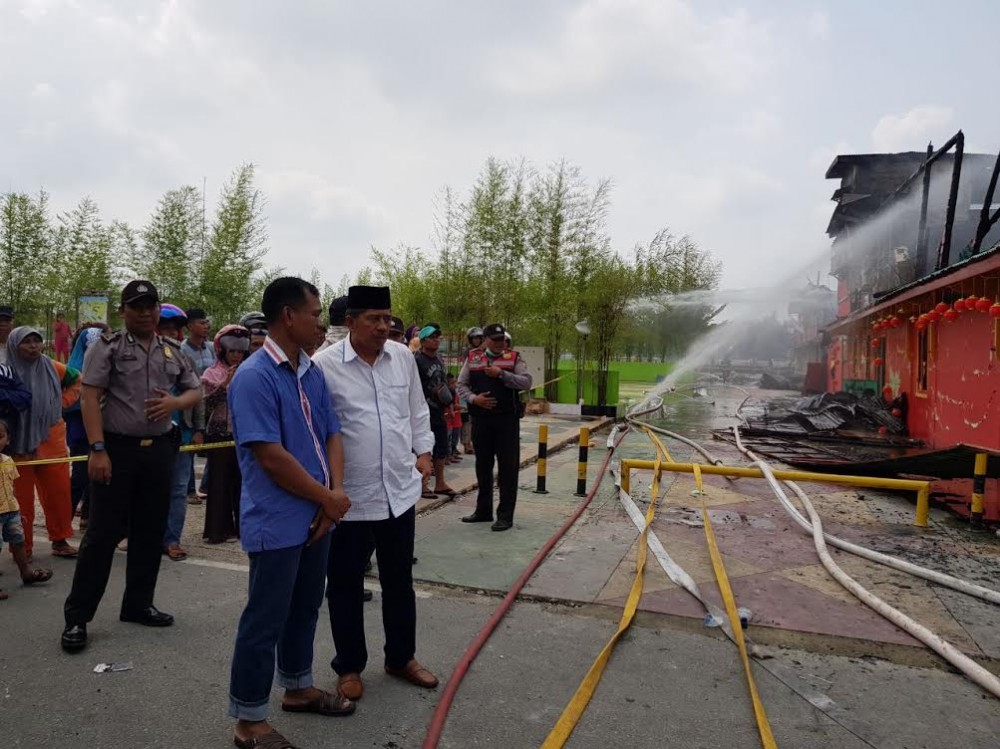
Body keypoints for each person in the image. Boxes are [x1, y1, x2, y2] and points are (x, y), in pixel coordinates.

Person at [227, 277, 354, 749]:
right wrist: (327, 498)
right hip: (277, 517)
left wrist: (333, 494)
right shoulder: (254, 377)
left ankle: (298, 687)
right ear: (288, 315)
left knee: (305, 606)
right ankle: (248, 720)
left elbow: (332, 433)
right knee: (265, 618)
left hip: (318, 515)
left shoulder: (310, 373)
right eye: (315, 314)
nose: (320, 324)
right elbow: (270, 457)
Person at [61, 280, 202, 654]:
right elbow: (89, 397)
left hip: (159, 451)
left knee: (150, 531)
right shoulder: (107, 348)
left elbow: (196, 389)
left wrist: (175, 404)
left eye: (150, 306)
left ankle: (138, 604)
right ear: (123, 311)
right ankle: (77, 617)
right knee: (102, 535)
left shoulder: (171, 351)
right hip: (116, 450)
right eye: (136, 306)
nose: (145, 313)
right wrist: (97, 449)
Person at [314, 285, 439, 703]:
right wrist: (325, 491)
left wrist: (424, 453)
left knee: (399, 580)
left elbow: (417, 409)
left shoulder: (402, 357)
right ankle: (349, 666)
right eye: (374, 319)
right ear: (350, 322)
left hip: (398, 492)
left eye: (387, 318)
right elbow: (318, 430)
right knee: (345, 584)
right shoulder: (324, 366)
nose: (384, 326)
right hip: (350, 497)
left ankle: (401, 658)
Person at [8, 326, 80, 560]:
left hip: (52, 442)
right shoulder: (6, 370)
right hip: (17, 446)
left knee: (59, 494)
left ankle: (60, 540)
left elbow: (78, 380)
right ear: (14, 345)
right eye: (27, 342)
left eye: (36, 341)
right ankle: (22, 549)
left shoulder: (52, 366)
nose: (33, 346)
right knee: (20, 502)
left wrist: (61, 403)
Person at [456, 323, 532, 532]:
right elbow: (461, 385)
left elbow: (526, 382)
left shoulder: (514, 358)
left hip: (506, 421)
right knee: (483, 466)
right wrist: (474, 399)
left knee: (508, 468)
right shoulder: (473, 358)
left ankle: (505, 516)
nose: (500, 344)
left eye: (502, 340)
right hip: (481, 420)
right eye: (495, 340)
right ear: (485, 340)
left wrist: (501, 374)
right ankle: (483, 511)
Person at [158, 306, 206, 562]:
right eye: (164, 329)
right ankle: (142, 535)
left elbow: (198, 396)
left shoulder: (185, 358)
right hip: (150, 437)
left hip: (183, 435)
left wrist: (198, 429)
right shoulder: (139, 359)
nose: (170, 334)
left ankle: (172, 540)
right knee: (149, 489)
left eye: (173, 330)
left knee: (178, 490)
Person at [202, 325, 249, 544]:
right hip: (219, 433)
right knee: (219, 483)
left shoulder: (249, 371)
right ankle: (218, 530)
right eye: (232, 351)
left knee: (241, 482)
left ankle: (242, 528)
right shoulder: (211, 373)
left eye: (240, 351)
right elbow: (206, 406)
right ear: (222, 351)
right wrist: (225, 384)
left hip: (241, 433)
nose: (236, 355)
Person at [0, 419, 54, 600]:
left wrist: (17, 510)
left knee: (18, 540)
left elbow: (11, 487)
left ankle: (26, 572)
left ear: (8, 440)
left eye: (0, 436)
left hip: (10, 511)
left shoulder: (8, 461)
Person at [65, 325, 107, 527]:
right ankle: (64, 520)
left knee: (98, 478)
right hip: (80, 432)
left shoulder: (109, 368)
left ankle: (88, 517)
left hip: (104, 430)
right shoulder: (72, 372)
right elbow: (67, 403)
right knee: (80, 476)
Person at [414, 323, 456, 498]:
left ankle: (440, 482)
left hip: (438, 410)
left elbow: (443, 383)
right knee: (423, 449)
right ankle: (422, 485)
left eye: (437, 337)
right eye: (432, 337)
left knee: (441, 447)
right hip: (423, 410)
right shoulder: (417, 360)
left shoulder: (439, 360)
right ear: (423, 341)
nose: (436, 340)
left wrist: (449, 404)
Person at [181, 308, 214, 504]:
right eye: (201, 322)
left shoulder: (211, 348)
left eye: (206, 322)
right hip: (191, 404)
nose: (206, 326)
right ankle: (189, 490)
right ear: (189, 326)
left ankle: (205, 486)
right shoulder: (182, 350)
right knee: (190, 446)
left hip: (212, 403)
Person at [460, 327, 484, 455]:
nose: (477, 340)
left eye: (479, 338)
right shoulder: (468, 352)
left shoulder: (484, 351)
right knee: (466, 418)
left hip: (478, 388)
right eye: (474, 338)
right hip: (467, 388)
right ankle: (466, 444)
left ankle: (476, 442)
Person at [446, 374, 463, 463]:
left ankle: (451, 454)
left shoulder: (454, 393)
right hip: (448, 420)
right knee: (448, 440)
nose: (455, 385)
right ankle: (447, 456)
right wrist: (463, 407)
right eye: (452, 383)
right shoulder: (446, 394)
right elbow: (452, 405)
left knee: (453, 438)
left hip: (454, 420)